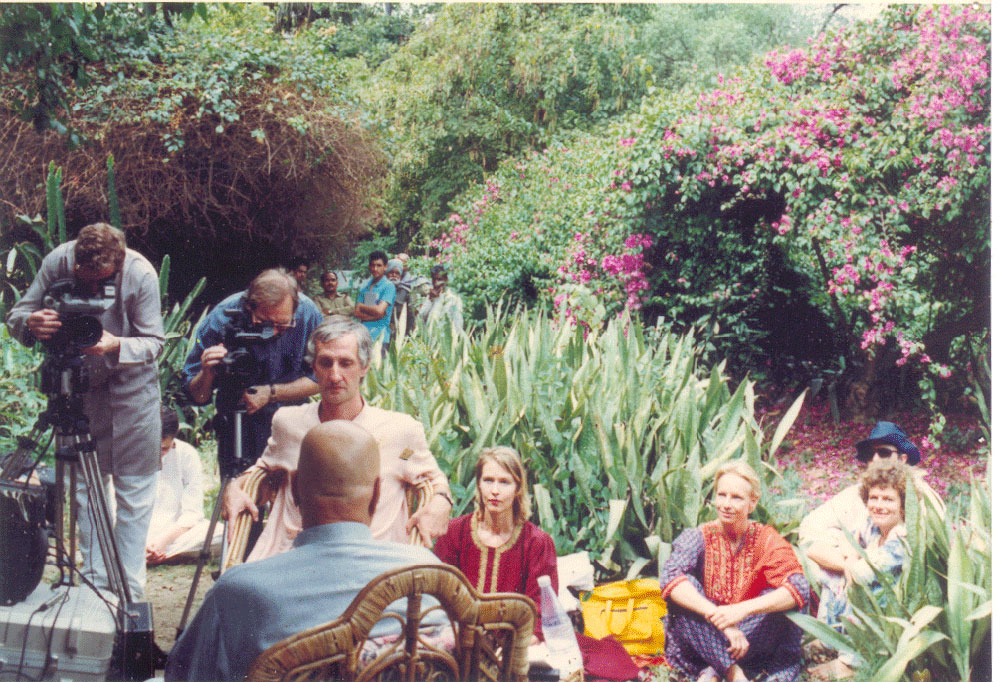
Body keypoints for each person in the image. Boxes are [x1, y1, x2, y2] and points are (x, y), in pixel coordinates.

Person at [166, 420, 447, 682]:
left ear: (297, 489)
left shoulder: (241, 591)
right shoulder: (430, 576)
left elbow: (183, 673)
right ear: (376, 493)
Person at [6, 222, 163, 600]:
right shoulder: (57, 260)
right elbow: (18, 314)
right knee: (84, 494)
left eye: (102, 281)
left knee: (133, 495)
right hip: (76, 390)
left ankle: (129, 595)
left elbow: (155, 343)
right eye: (84, 279)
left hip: (132, 394)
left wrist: (115, 345)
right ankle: (94, 590)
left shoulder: (140, 274)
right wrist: (30, 321)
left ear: (119, 263)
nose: (92, 288)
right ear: (74, 260)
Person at [222, 316, 453, 563]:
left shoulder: (400, 431)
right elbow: (263, 471)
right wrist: (234, 488)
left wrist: (441, 502)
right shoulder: (288, 424)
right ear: (314, 368)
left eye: (346, 363)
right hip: (291, 557)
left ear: (364, 367)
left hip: (372, 567)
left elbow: (433, 478)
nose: (334, 375)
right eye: (326, 363)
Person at [659, 461, 809, 682]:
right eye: (721, 495)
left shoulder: (765, 538)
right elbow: (670, 576)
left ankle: (712, 672)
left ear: (752, 502)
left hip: (748, 639)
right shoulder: (698, 536)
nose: (726, 504)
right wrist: (724, 623)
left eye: (736, 497)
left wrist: (741, 611)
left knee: (782, 596)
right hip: (700, 641)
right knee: (684, 591)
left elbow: (800, 587)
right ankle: (734, 673)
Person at [181, 268, 322, 478]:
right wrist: (207, 373)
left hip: (289, 420)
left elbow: (321, 380)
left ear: (295, 308)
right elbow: (196, 396)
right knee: (238, 497)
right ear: (249, 306)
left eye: (283, 325)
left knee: (288, 498)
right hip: (237, 422)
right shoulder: (222, 318)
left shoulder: (307, 314)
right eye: (264, 323)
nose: (273, 332)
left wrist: (271, 393)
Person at [433, 446, 557, 642]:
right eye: (488, 480)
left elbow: (541, 613)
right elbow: (438, 597)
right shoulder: (453, 534)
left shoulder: (537, 543)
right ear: (479, 485)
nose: (495, 491)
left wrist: (511, 652)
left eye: (505, 482)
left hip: (514, 646)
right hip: (457, 642)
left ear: (518, 489)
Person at [807, 461, 912, 681]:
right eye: (874, 498)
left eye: (888, 499)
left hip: (888, 613)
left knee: (856, 587)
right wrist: (850, 560)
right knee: (833, 575)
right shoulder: (874, 526)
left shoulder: (900, 541)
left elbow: (861, 574)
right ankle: (829, 640)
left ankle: (850, 662)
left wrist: (850, 559)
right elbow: (840, 542)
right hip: (864, 587)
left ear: (902, 505)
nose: (879, 505)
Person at [798, 421, 943, 574]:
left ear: (903, 459)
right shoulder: (857, 492)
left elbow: (923, 549)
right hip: (858, 570)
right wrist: (845, 556)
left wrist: (855, 560)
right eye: (870, 454)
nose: (874, 459)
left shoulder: (922, 497)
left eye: (884, 453)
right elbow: (810, 525)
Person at [146, 408, 221, 565]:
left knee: (221, 534)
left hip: (175, 535)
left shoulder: (187, 454)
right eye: (153, 448)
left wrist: (162, 542)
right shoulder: (132, 452)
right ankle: (151, 554)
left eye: (164, 449)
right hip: (137, 533)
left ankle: (152, 555)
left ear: (174, 437)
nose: (158, 454)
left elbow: (192, 513)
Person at [353, 250, 395, 345]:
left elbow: (380, 310)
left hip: (380, 338)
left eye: (379, 265)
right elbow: (356, 312)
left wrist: (361, 306)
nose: (375, 269)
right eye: (372, 265)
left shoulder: (388, 286)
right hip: (364, 337)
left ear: (385, 267)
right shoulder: (365, 287)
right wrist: (376, 315)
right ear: (369, 266)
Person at [418, 264, 463, 330]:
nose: (436, 283)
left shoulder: (453, 298)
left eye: (439, 279)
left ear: (446, 279)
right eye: (434, 279)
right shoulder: (430, 296)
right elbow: (421, 316)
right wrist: (430, 299)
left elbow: (458, 323)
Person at [396, 253, 431, 335]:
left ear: (407, 266)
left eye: (402, 264)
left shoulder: (415, 281)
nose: (399, 266)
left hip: (411, 320)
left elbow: (431, 292)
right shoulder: (390, 279)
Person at [385, 258, 409, 339]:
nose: (394, 275)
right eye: (391, 272)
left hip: (398, 334)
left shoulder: (405, 292)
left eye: (397, 273)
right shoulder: (376, 288)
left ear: (401, 276)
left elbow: (410, 317)